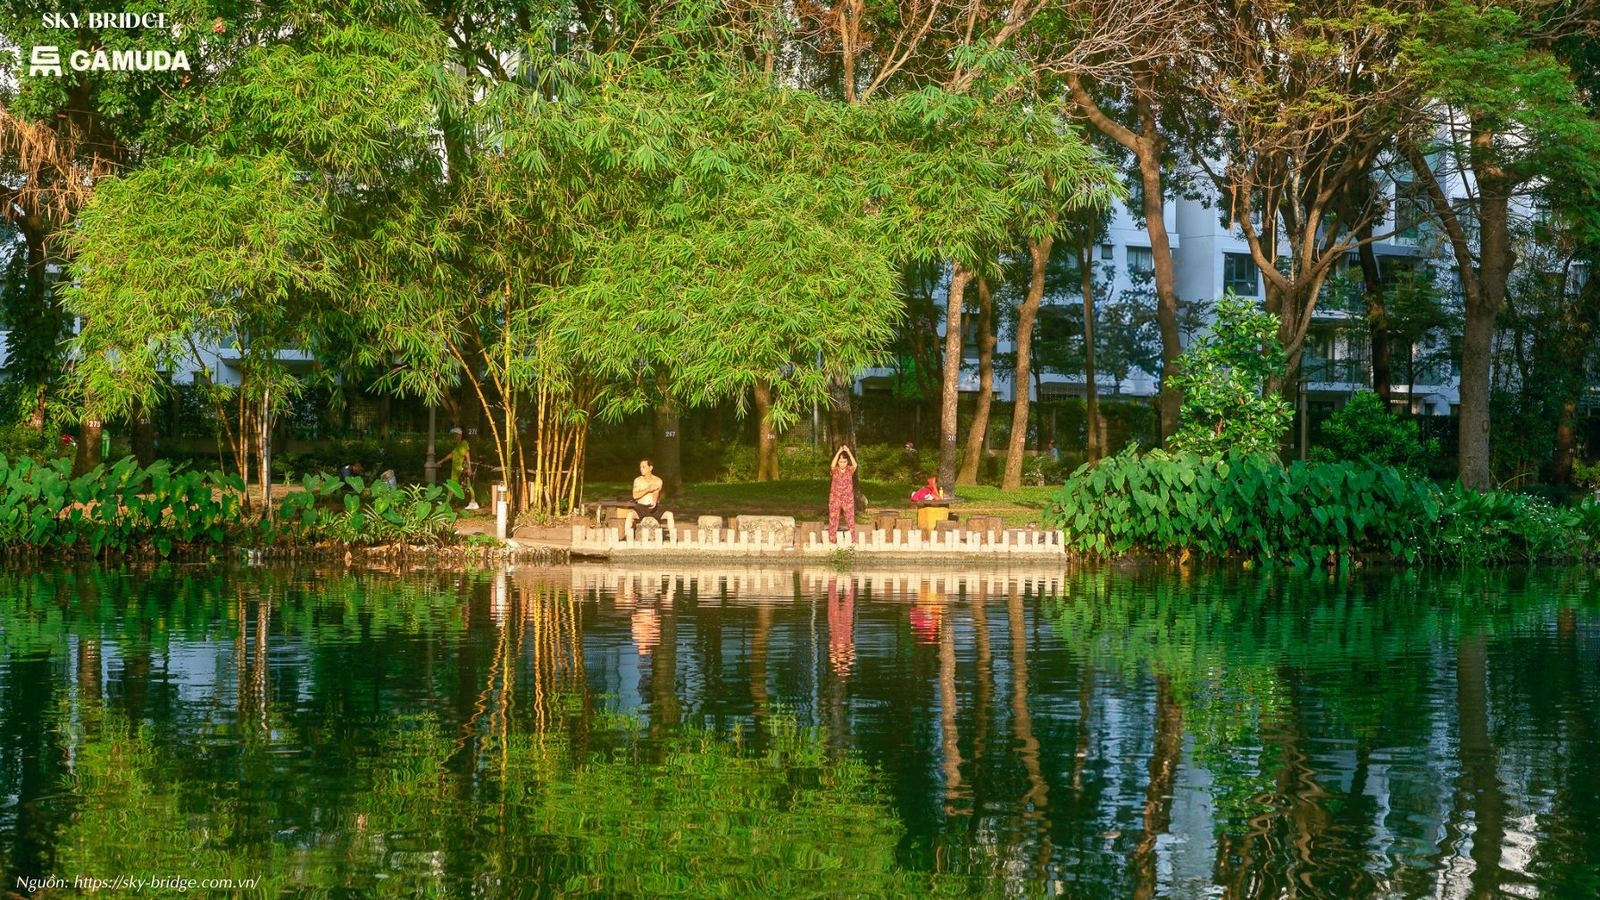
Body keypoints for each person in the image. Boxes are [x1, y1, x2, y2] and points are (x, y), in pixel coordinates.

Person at [828, 445, 858, 539]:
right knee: (833, 519)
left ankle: (852, 540)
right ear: (838, 462)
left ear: (847, 462)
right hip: (835, 498)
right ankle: (832, 539)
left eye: (844, 461)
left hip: (847, 498)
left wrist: (848, 452)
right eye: (840, 462)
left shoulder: (850, 470)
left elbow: (855, 464)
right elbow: (832, 465)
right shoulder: (835, 470)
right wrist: (838, 452)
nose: (842, 463)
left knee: (850, 519)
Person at [447, 427, 479, 510]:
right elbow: (452, 454)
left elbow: (467, 455)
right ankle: (449, 503)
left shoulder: (464, 443)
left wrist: (469, 468)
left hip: (463, 468)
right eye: (454, 435)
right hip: (456, 469)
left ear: (460, 435)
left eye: (456, 435)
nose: (455, 436)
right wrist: (440, 462)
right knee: (455, 485)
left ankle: (473, 502)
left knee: (467, 485)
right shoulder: (458, 445)